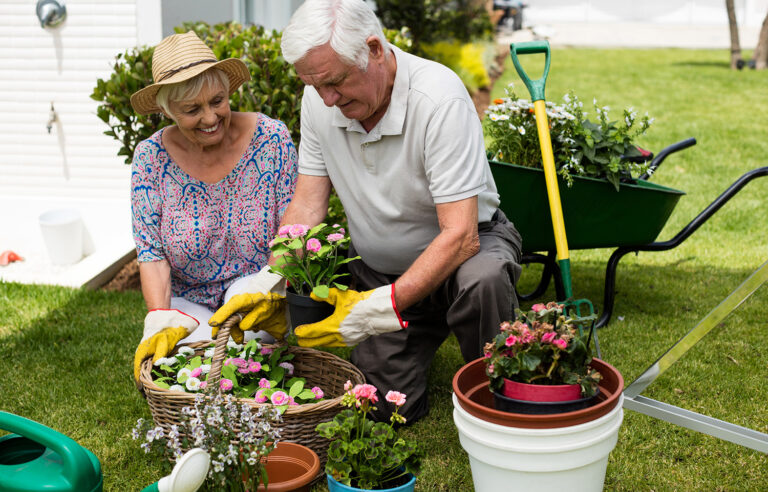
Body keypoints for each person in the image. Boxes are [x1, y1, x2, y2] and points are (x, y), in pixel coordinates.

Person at [211, 0, 522, 423]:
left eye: (335, 82)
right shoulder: (319, 98)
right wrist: (271, 280)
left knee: (482, 281)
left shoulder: (438, 98)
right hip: (382, 269)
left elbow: (460, 235)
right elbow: (307, 203)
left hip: (465, 254)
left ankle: (500, 398)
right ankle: (412, 344)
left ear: (374, 49)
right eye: (314, 84)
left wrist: (371, 311)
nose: (327, 98)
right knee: (381, 409)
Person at [130, 31, 297, 384]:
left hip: (255, 287)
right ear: (166, 110)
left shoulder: (272, 139)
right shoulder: (150, 157)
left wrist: (268, 290)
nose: (210, 118)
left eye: (217, 101)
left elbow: (292, 230)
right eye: (192, 109)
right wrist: (161, 319)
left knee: (243, 356)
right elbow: (151, 252)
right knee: (191, 365)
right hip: (188, 298)